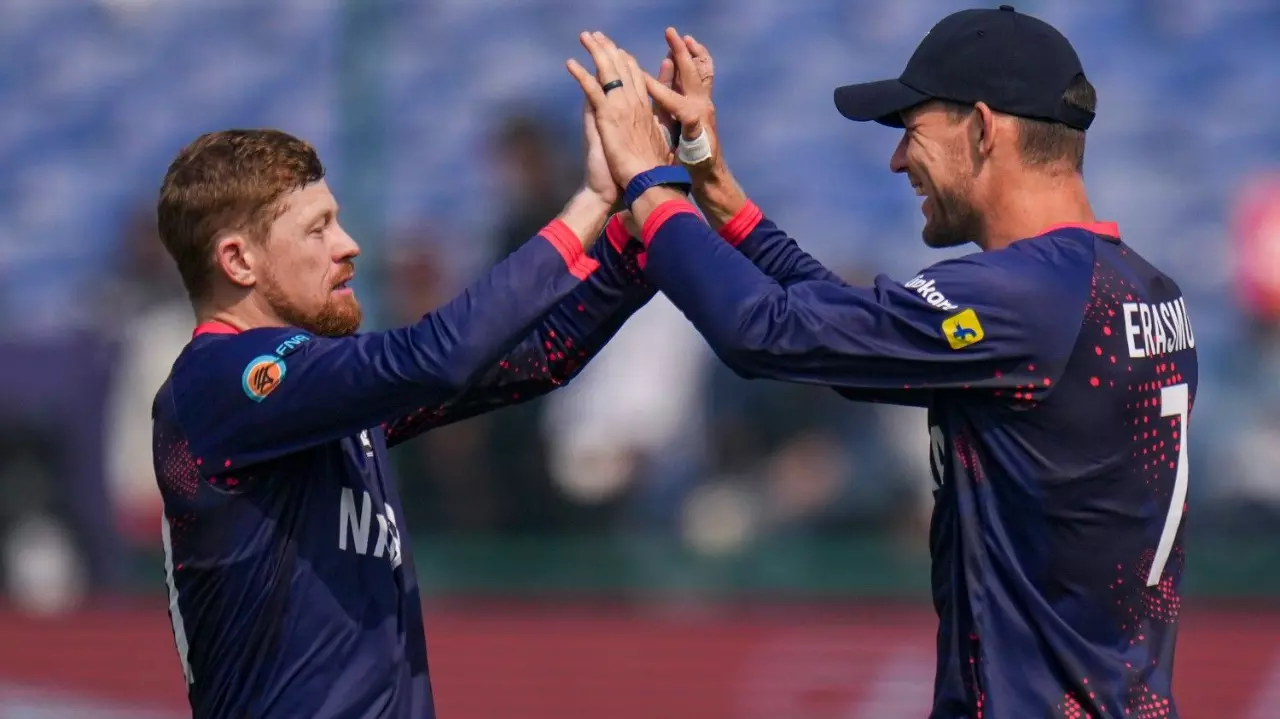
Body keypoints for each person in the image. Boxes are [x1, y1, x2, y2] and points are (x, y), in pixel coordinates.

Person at [566, 7, 1197, 717]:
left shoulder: (1022, 300)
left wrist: (650, 186)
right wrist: (712, 186)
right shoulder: (1135, 286)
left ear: (985, 128)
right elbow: (841, 332)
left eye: (911, 129)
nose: (898, 160)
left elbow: (765, 334)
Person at [151, 107, 655, 717]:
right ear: (238, 261)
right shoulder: (219, 381)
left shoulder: (317, 401)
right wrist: (594, 200)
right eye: (319, 229)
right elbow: (437, 356)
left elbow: (534, 359)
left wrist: (642, 232)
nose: (349, 244)